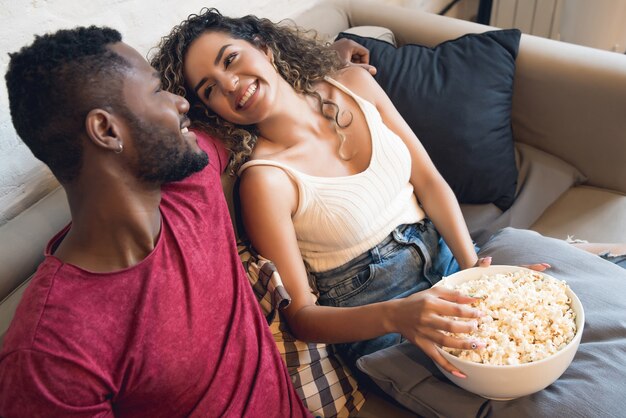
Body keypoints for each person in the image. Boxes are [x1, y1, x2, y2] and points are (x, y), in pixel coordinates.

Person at [152, 8, 626, 383]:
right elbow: (301, 317)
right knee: (569, 386)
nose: (231, 84)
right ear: (210, 109)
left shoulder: (355, 84)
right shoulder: (265, 180)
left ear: (263, 47)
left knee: (591, 300)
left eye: (230, 59)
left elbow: (429, 181)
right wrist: (400, 316)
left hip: (449, 263)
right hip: (383, 327)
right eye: (210, 88)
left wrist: (473, 267)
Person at [0, 25, 314, 417]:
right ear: (107, 130)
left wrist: (335, 61)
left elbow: (253, 97)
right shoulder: (51, 351)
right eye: (154, 90)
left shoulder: (192, 184)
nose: (179, 103)